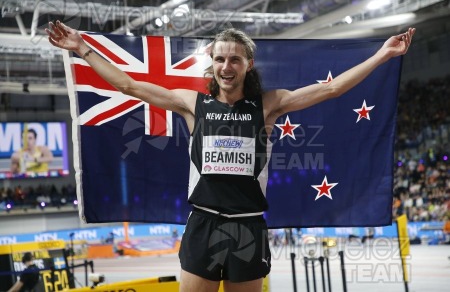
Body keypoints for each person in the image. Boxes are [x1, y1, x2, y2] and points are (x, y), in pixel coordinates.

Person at [46, 20, 415, 292]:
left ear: (247, 64)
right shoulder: (192, 105)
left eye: (234, 60)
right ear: (213, 63)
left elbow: (332, 89)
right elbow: (128, 84)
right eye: (221, 59)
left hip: (247, 226)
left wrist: (383, 54)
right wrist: (82, 48)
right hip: (203, 224)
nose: (226, 66)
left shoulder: (269, 106)